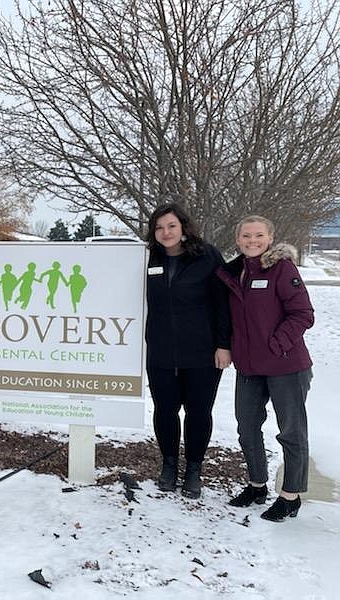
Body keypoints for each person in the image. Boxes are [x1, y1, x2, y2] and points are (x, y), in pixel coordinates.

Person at [216, 216, 314, 522]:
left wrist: (276, 343)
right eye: (246, 236)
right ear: (238, 240)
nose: (252, 241)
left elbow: (303, 314)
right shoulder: (234, 274)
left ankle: (290, 496)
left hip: (286, 366)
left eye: (259, 235)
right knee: (246, 427)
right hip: (249, 368)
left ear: (270, 238)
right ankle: (257, 485)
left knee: (291, 432)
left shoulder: (282, 269)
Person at [144, 203, 232, 499]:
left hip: (202, 353)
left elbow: (223, 304)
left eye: (171, 226)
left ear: (183, 227)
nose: (165, 232)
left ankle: (194, 469)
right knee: (165, 411)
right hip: (161, 351)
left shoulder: (206, 256)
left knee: (198, 412)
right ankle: (169, 466)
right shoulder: (148, 258)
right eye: (159, 227)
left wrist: (224, 344)